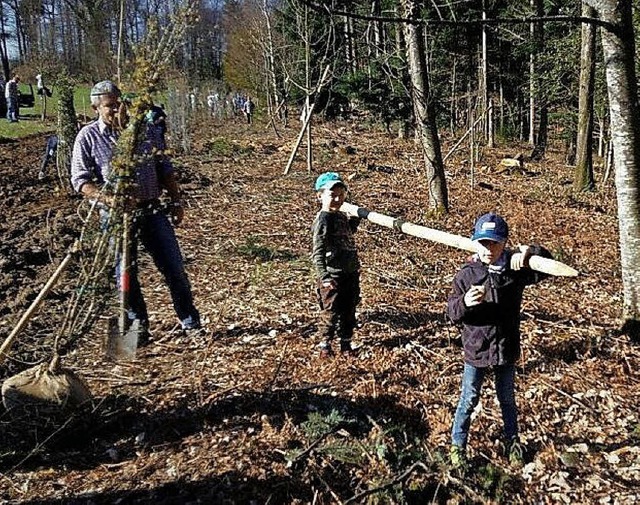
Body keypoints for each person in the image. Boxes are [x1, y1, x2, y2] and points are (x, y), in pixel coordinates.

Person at [70, 80, 201, 343]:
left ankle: (191, 323)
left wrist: (176, 199)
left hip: (152, 211)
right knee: (125, 277)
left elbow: (164, 167)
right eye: (109, 106)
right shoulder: (88, 137)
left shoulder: (146, 130)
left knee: (175, 268)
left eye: (119, 103)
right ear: (96, 107)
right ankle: (136, 328)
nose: (117, 110)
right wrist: (108, 199)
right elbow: (80, 180)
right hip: (116, 217)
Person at [447, 212, 553, 474]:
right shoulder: (467, 274)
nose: (488, 249)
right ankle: (457, 447)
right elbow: (451, 313)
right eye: (482, 243)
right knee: (469, 398)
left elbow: (549, 265)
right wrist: (466, 304)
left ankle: (512, 443)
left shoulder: (514, 271)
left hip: (506, 349)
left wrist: (531, 252)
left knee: (507, 399)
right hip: (477, 350)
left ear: (504, 243)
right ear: (475, 242)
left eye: (494, 243)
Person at [311, 172, 361, 358]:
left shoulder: (339, 215)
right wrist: (324, 276)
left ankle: (346, 344)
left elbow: (345, 235)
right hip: (333, 274)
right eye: (333, 195)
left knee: (350, 309)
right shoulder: (323, 219)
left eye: (341, 194)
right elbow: (318, 251)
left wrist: (355, 220)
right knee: (331, 311)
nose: (338, 199)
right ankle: (325, 345)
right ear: (320, 196)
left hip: (350, 271)